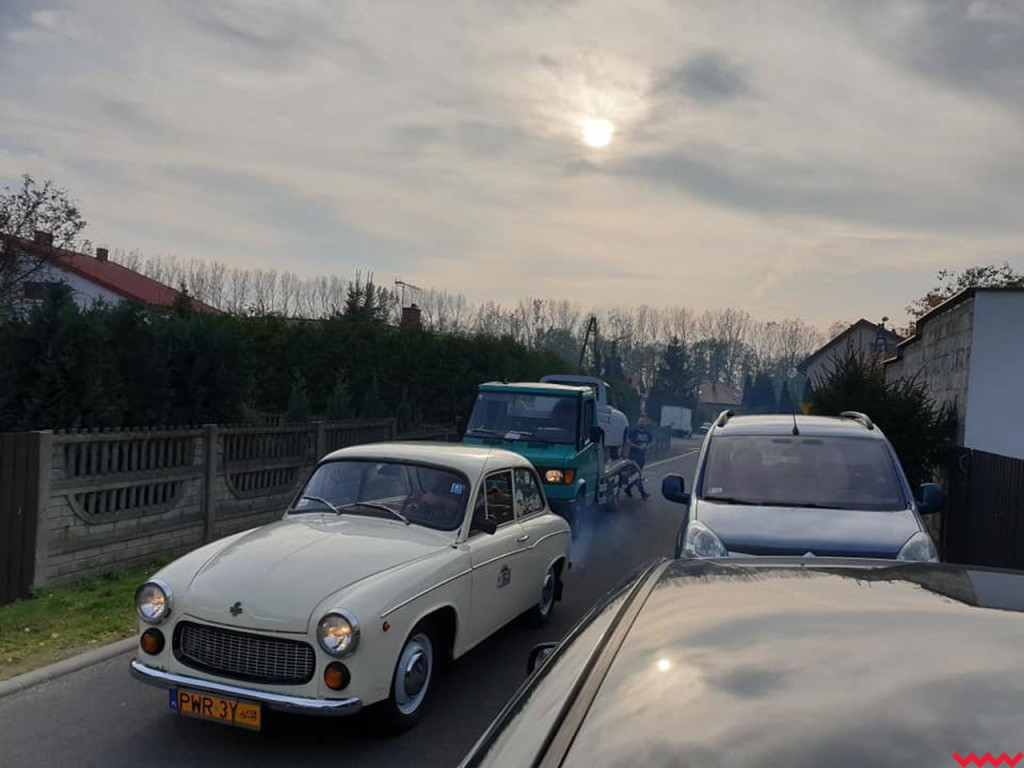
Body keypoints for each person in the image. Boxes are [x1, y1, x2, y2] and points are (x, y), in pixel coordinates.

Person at [624, 416, 654, 500]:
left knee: (636, 474)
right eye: (640, 421)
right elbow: (628, 442)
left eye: (643, 422)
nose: (642, 423)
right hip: (634, 455)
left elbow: (652, 442)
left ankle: (628, 488)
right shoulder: (634, 431)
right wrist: (638, 447)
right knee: (637, 473)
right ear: (638, 422)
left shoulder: (648, 433)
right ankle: (642, 492)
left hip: (642, 456)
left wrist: (647, 447)